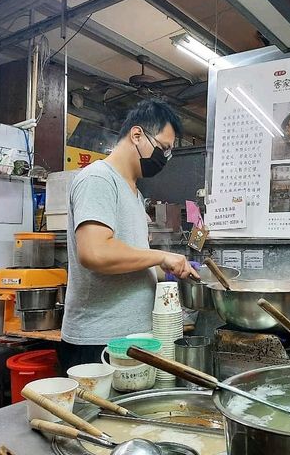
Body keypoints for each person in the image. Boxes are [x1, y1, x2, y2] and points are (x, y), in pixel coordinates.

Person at [58, 99, 199, 372]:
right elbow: (95, 253)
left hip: (129, 339)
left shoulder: (133, 192)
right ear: (137, 135)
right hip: (98, 342)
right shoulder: (99, 179)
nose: (165, 158)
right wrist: (160, 255)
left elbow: (130, 261)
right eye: (163, 148)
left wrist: (170, 270)